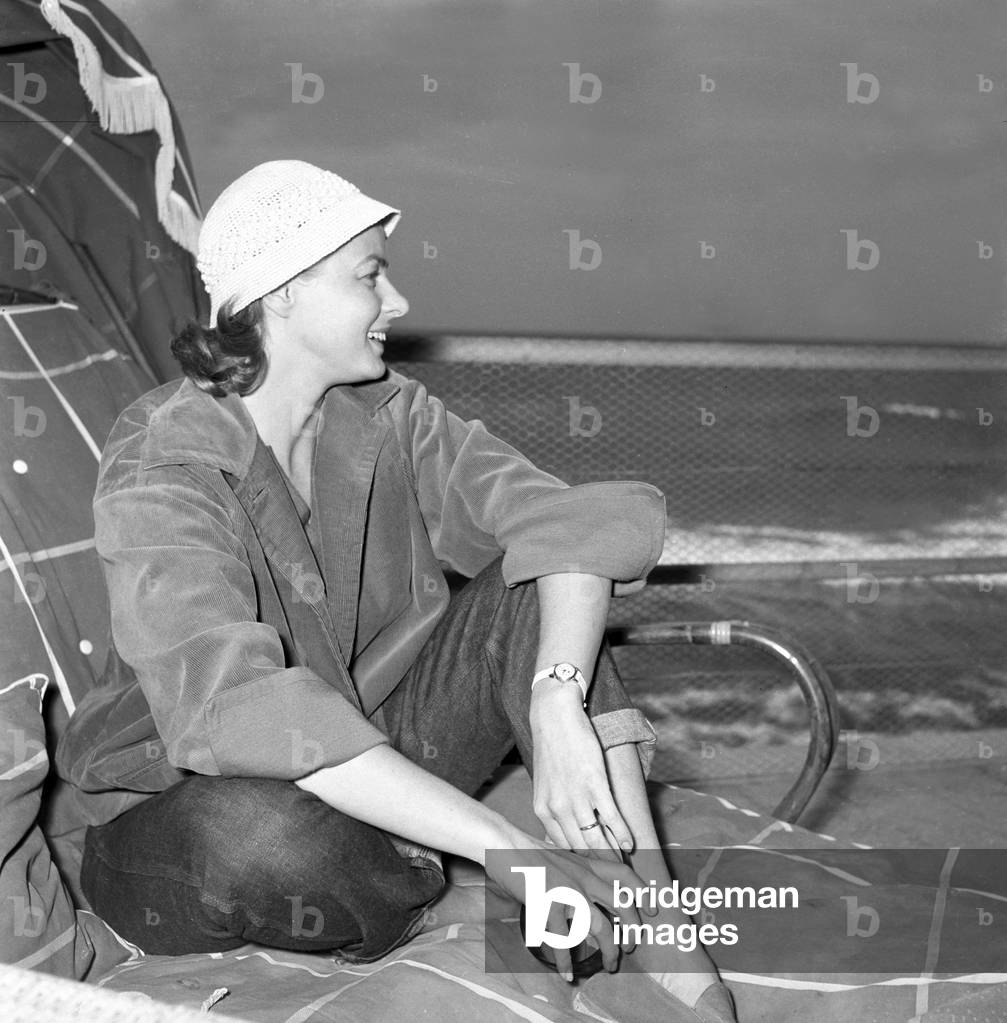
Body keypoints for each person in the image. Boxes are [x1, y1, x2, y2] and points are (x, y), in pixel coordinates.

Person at [56, 160, 736, 1022]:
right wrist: (507, 846)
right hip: (172, 817)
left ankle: (652, 915)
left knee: (539, 593)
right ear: (284, 292)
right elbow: (235, 705)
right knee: (257, 835)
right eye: (371, 275)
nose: (400, 301)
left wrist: (558, 702)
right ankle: (434, 872)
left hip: (378, 747)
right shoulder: (163, 460)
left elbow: (570, 522)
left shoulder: (386, 413)